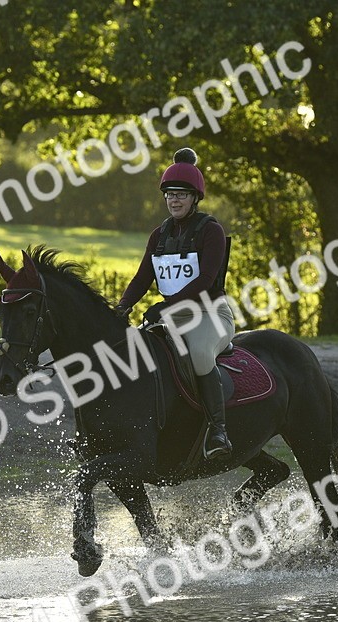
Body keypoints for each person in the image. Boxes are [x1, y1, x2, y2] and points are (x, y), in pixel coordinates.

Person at [114, 148, 235, 460]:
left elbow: (206, 279)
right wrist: (122, 306)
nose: (174, 200)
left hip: (209, 314)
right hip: (172, 317)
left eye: (181, 194)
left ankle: (218, 429)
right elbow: (143, 278)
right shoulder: (160, 235)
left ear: (195, 197)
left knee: (198, 353)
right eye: (169, 194)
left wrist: (166, 307)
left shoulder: (211, 230)